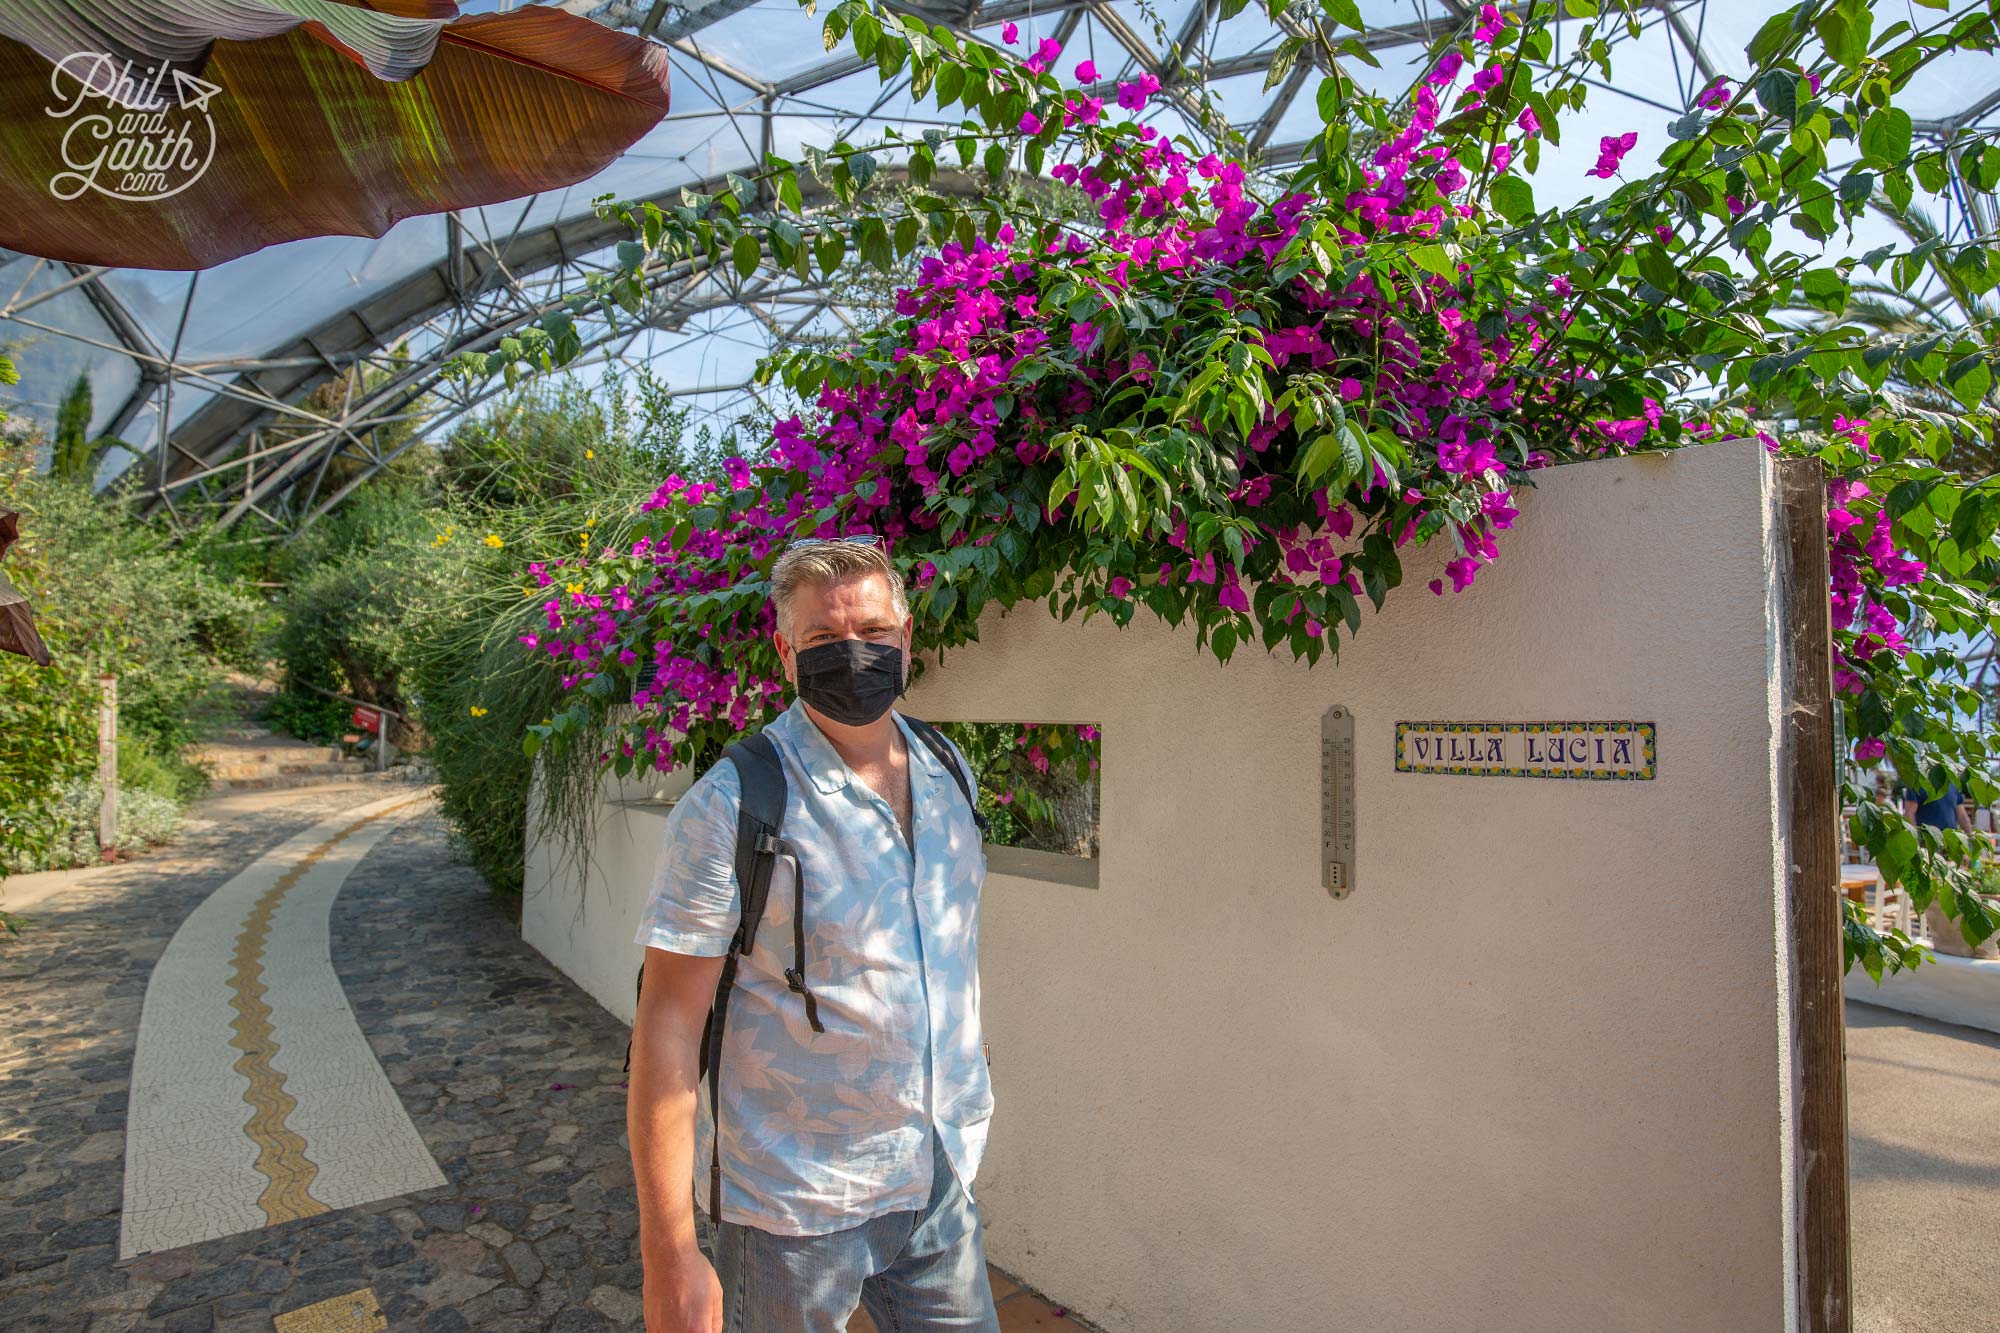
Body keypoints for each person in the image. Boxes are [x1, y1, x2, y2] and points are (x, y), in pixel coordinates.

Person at [626, 536, 1000, 1333]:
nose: (853, 653)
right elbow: (666, 1025)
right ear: (785, 650)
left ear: (905, 636)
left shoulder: (949, 770)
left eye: (870, 631)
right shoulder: (732, 803)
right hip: (792, 1208)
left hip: (934, 1175)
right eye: (825, 640)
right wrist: (671, 1255)